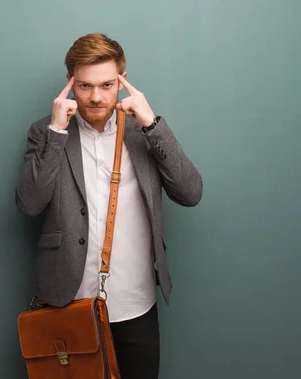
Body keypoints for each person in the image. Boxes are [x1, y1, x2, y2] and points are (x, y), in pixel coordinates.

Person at [14, 32, 203, 378]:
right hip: (67, 303)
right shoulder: (45, 132)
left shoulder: (143, 131)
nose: (96, 97)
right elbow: (29, 203)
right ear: (70, 84)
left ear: (122, 80)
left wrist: (152, 124)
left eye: (105, 85)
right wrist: (57, 133)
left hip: (136, 304)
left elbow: (190, 193)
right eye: (85, 86)